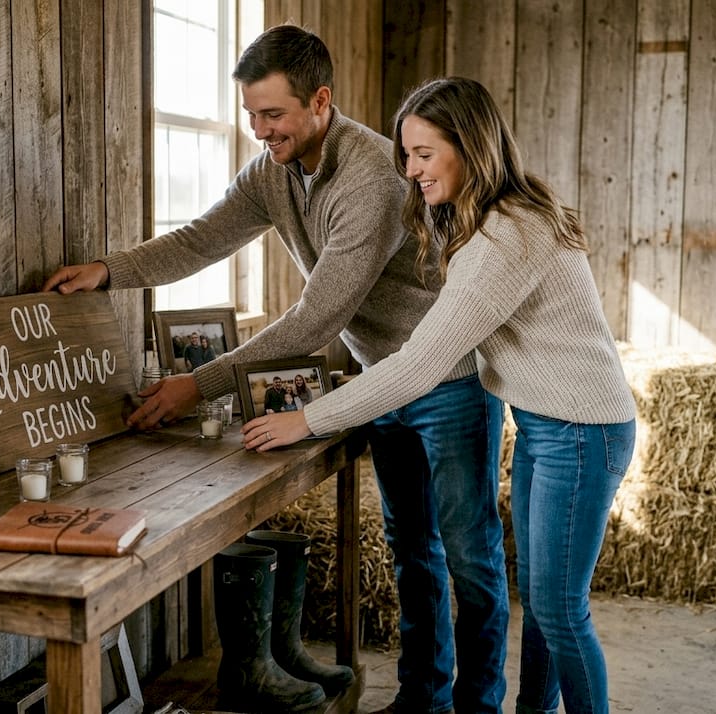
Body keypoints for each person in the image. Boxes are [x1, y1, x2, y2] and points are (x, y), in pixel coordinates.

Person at [42, 26, 506, 714]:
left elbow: (315, 320)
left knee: (470, 559)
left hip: (449, 381)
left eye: (274, 115)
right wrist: (113, 271)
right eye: (251, 115)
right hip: (382, 378)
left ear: (320, 101)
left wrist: (195, 384)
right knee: (413, 553)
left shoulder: (373, 176)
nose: (260, 131)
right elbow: (202, 237)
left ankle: (480, 706)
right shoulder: (273, 171)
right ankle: (422, 700)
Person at [241, 76, 638, 714]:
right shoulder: (488, 221)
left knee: (561, 613)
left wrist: (307, 420)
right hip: (546, 426)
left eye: (425, 154)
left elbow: (421, 362)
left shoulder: (506, 237)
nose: (411, 170)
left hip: (582, 432)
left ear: (471, 146)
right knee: (542, 605)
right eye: (406, 154)